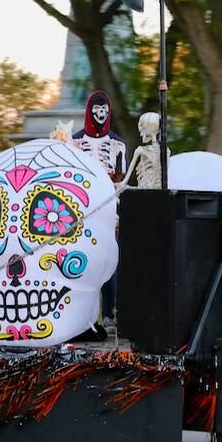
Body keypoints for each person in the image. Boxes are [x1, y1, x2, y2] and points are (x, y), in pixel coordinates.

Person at [72, 90, 126, 330]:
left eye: (104, 109)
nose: (101, 114)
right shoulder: (74, 142)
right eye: (97, 109)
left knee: (108, 261)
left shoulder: (117, 143)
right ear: (89, 110)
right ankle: (82, 315)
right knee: (81, 261)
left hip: (108, 209)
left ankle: (108, 313)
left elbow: (120, 179)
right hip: (81, 211)